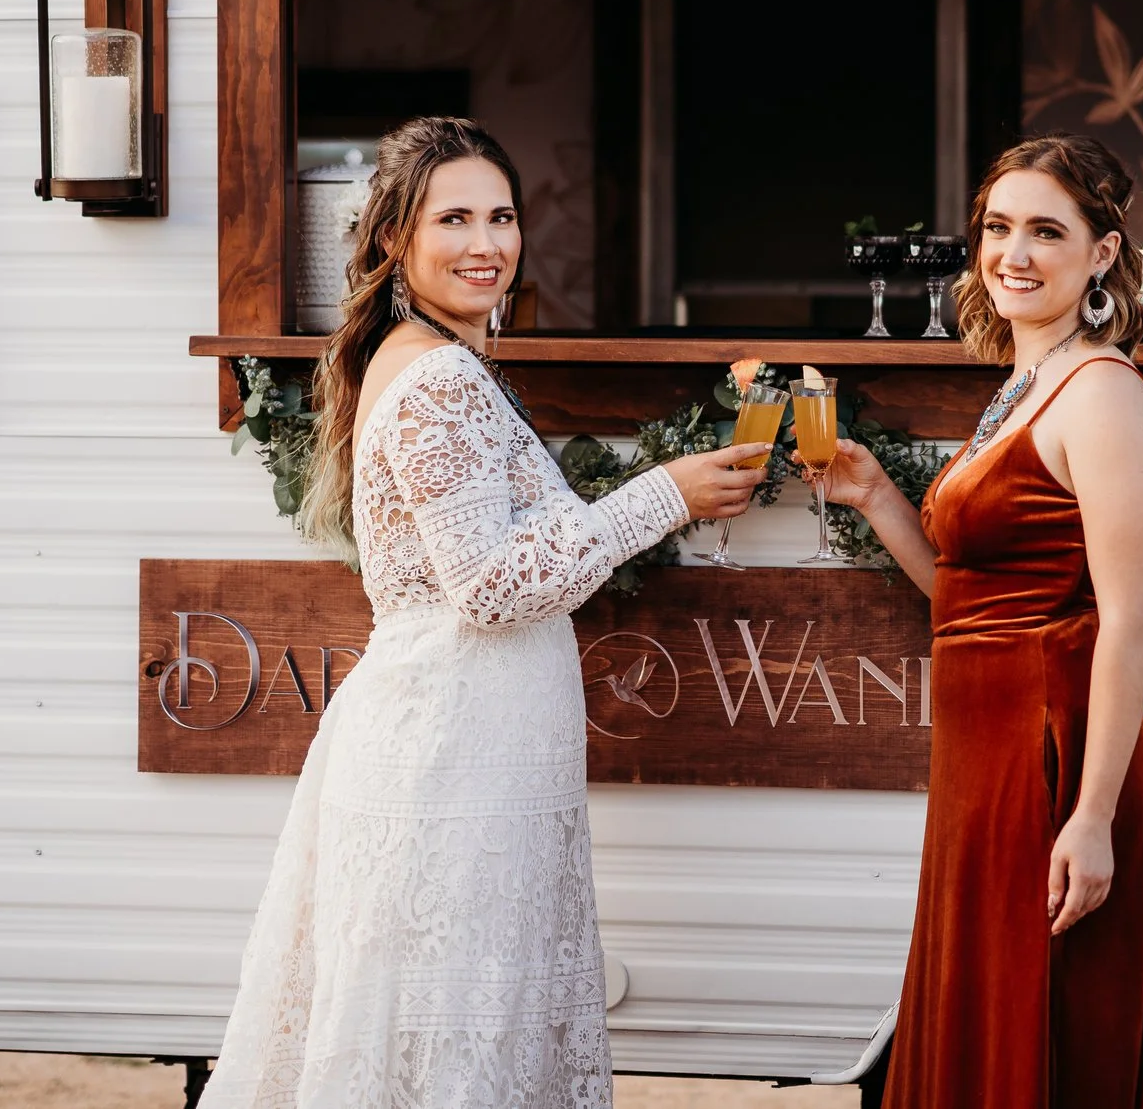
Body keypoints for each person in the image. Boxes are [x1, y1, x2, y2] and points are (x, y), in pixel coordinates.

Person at [200, 116, 769, 1109]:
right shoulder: (437, 376)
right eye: (453, 217)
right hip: (450, 763)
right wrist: (664, 493)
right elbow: (493, 585)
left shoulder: (424, 355)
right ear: (394, 237)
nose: (486, 242)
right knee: (452, 1050)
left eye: (501, 216)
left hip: (471, 752)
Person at [819, 132, 1143, 1109]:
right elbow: (970, 605)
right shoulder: (1022, 386)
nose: (1013, 252)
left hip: (1058, 771)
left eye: (1046, 230)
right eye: (997, 227)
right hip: (986, 773)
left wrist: (1091, 817)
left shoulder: (1104, 394)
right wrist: (876, 497)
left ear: (1102, 252)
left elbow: (1128, 622)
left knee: (1049, 1063)